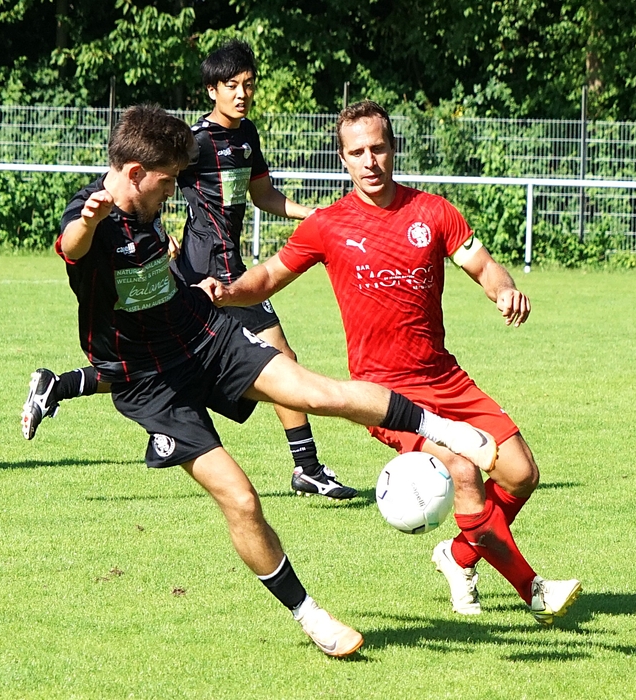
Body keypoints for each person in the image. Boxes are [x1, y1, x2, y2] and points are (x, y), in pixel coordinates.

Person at [50, 103, 498, 657]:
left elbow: (150, 274)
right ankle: (312, 617)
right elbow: (72, 245)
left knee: (316, 392)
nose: (172, 193)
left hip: (202, 335)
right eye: (167, 184)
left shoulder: (146, 202)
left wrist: (191, 287)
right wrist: (89, 221)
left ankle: (444, 430)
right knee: (240, 498)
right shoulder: (90, 213)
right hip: (152, 384)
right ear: (136, 173)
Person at [199, 100, 581, 626]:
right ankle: (533, 590)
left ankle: (458, 555)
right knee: (462, 470)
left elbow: (484, 266)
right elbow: (266, 277)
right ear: (343, 159)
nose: (369, 161)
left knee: (521, 473)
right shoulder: (328, 225)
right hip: (385, 394)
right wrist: (227, 292)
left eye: (378, 148)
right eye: (357, 152)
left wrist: (504, 290)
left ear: (393, 148)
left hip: (445, 376)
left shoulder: (433, 212)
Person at [23, 40, 357, 501]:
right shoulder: (195, 142)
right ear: (211, 90)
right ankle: (308, 467)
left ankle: (59, 386)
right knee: (281, 358)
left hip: (221, 263)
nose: (242, 94)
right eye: (231, 85)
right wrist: (128, 227)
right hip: (208, 268)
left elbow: (262, 195)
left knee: (153, 364)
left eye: (248, 84)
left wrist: (312, 215)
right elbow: (141, 185)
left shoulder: (247, 135)